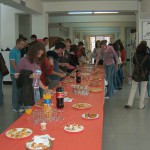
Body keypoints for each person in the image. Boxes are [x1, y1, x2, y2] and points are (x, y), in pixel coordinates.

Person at [124, 42, 150, 109]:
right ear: (145, 49)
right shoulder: (147, 56)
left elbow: (134, 63)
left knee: (133, 88)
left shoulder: (135, 55)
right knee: (143, 90)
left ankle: (129, 103)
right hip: (145, 75)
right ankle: (141, 105)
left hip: (136, 74)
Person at [9, 38, 25, 112]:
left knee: (19, 90)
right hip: (14, 73)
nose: (23, 46)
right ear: (17, 43)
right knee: (15, 90)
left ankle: (19, 105)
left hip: (18, 73)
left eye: (24, 44)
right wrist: (17, 72)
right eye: (22, 44)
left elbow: (18, 63)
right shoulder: (12, 52)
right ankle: (15, 107)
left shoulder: (19, 51)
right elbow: (13, 64)